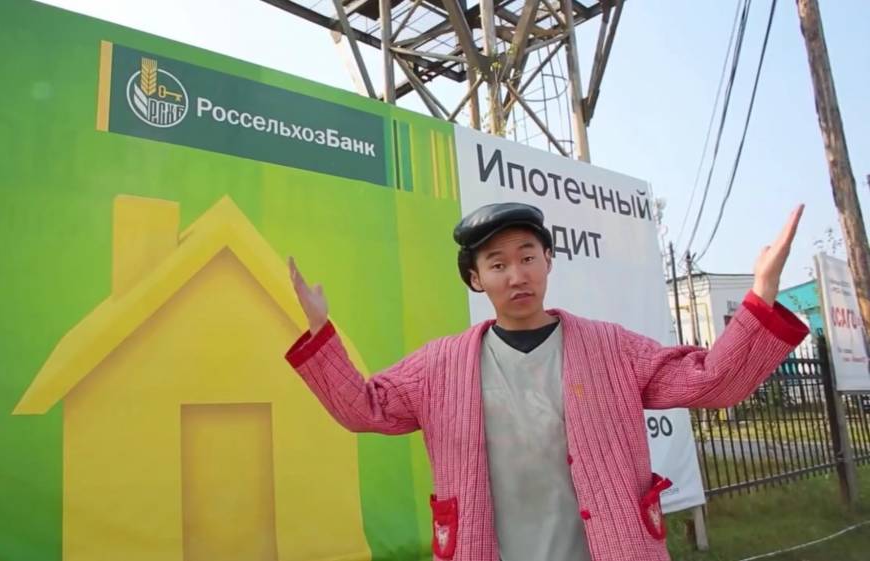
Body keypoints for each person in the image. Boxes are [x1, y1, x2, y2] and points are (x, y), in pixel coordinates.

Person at [285, 202, 808, 561]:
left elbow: (713, 383)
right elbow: (364, 407)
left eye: (528, 257)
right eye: (497, 264)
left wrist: (761, 292)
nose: (517, 275)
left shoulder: (611, 349)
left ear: (549, 261)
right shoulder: (440, 365)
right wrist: (319, 329)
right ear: (476, 279)